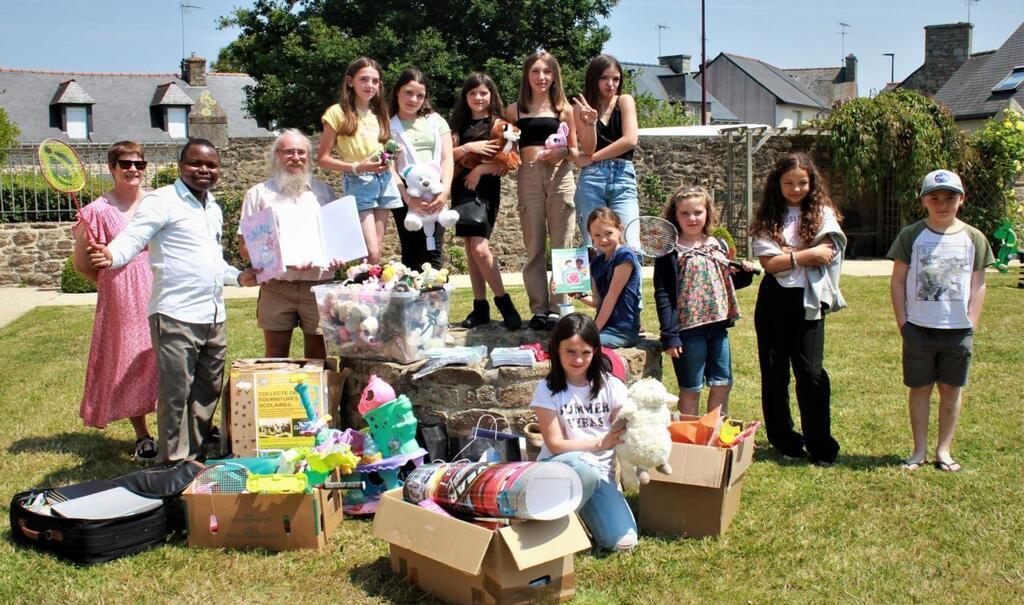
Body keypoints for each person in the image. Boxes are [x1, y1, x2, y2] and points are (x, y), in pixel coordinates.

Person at [88, 138, 259, 464]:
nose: (204, 170)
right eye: (196, 163)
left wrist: (238, 277)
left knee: (206, 393)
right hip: (175, 314)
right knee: (176, 395)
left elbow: (213, 261)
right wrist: (112, 254)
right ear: (181, 166)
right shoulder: (162, 201)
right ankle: (170, 467)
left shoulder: (213, 208)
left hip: (213, 316)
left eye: (211, 165)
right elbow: (133, 237)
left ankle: (190, 460)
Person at [888, 169, 993, 472]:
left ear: (961, 199)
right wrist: (903, 322)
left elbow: (979, 283)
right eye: (935, 197)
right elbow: (897, 281)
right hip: (918, 328)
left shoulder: (974, 238)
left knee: (951, 389)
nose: (942, 203)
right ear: (924, 201)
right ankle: (918, 450)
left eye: (950, 197)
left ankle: (943, 450)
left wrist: (971, 321)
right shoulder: (911, 235)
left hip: (957, 331)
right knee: (919, 388)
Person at [751, 153, 845, 467]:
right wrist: (806, 254)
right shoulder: (767, 217)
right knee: (775, 372)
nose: (796, 188)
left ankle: (821, 445)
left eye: (802, 182)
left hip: (808, 300)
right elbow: (770, 264)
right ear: (778, 183)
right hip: (774, 300)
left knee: (810, 372)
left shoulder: (823, 213)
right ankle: (785, 440)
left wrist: (790, 254)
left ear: (812, 182)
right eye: (789, 182)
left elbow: (828, 254)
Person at [72, 141, 158, 460]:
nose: (133, 169)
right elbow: (81, 263)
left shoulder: (158, 203)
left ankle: (179, 428)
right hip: (123, 295)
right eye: (125, 164)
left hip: (161, 288)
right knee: (132, 358)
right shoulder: (97, 210)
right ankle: (143, 435)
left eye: (139, 164)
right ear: (112, 168)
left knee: (165, 357)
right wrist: (111, 285)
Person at [530, 313, 637, 552]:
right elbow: (555, 444)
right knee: (584, 470)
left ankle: (581, 514)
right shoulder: (546, 390)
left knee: (623, 543)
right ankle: (556, 522)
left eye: (585, 352)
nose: (578, 360)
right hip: (560, 470)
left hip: (600, 475)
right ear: (556, 350)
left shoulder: (611, 386)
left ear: (596, 351)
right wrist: (600, 443)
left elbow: (627, 427)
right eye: (570, 351)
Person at [653, 186, 751, 416]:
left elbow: (724, 281)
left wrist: (744, 273)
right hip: (688, 331)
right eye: (684, 213)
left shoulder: (718, 245)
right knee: (691, 388)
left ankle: (715, 436)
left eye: (698, 212)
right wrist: (670, 334)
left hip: (718, 327)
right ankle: (691, 441)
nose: (692, 218)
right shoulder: (670, 251)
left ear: (707, 212)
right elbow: (663, 293)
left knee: (722, 383)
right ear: (674, 216)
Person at [238, 129, 336, 359]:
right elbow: (245, 248)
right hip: (277, 287)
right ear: (276, 155)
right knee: (275, 358)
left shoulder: (324, 192)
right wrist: (277, 261)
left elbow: (336, 239)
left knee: (319, 359)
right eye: (289, 152)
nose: (296, 157)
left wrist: (339, 255)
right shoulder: (258, 195)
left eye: (302, 152)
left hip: (319, 287)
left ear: (309, 157)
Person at [505, 51, 578, 331]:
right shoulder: (515, 110)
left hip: (561, 176)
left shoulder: (565, 109)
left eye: (546, 72)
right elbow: (504, 145)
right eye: (535, 71)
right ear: (527, 75)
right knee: (534, 245)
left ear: (554, 76)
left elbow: (577, 150)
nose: (541, 77)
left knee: (564, 244)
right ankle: (538, 308)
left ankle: (561, 307)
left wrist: (563, 150)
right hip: (529, 175)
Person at [450, 72, 522, 330]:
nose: (478, 98)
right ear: (465, 97)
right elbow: (447, 157)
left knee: (480, 248)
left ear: (491, 95)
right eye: (472, 93)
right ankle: (480, 307)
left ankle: (504, 303)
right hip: (461, 190)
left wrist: (481, 169)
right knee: (471, 251)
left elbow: (512, 160)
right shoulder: (458, 126)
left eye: (483, 93)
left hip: (486, 191)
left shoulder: (501, 125)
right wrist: (470, 149)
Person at [317, 57, 398, 264]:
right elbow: (323, 159)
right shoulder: (337, 113)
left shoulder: (380, 113)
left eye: (374, 81)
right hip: (358, 181)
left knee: (375, 252)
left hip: (384, 180)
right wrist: (356, 167)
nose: (369, 85)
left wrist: (391, 154)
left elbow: (384, 149)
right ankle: (362, 291)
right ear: (350, 81)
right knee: (371, 252)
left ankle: (366, 293)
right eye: (364, 79)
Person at [572, 54, 640, 249]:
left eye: (616, 79)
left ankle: (624, 280)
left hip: (623, 175)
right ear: (594, 78)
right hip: (592, 179)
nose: (611, 84)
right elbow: (588, 147)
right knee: (593, 245)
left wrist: (593, 158)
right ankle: (597, 280)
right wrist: (591, 123)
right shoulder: (580, 108)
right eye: (604, 78)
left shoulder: (624, 101)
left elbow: (630, 140)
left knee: (630, 242)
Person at [389, 68, 454, 270]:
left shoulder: (436, 121)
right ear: (398, 92)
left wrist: (444, 192)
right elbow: (389, 167)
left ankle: (436, 300)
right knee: (411, 252)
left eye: (420, 96)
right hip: (406, 196)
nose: (413, 99)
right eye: (408, 92)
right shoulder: (388, 126)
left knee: (434, 252)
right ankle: (412, 301)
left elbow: (447, 158)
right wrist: (408, 199)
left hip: (435, 193)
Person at [573, 208, 641, 348]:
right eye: (597, 235)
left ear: (620, 229)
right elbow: (599, 301)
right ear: (590, 236)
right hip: (604, 327)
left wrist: (594, 332)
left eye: (608, 233)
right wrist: (576, 293)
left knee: (581, 346)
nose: (603, 239)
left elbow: (611, 297)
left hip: (622, 331)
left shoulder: (625, 256)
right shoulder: (596, 262)